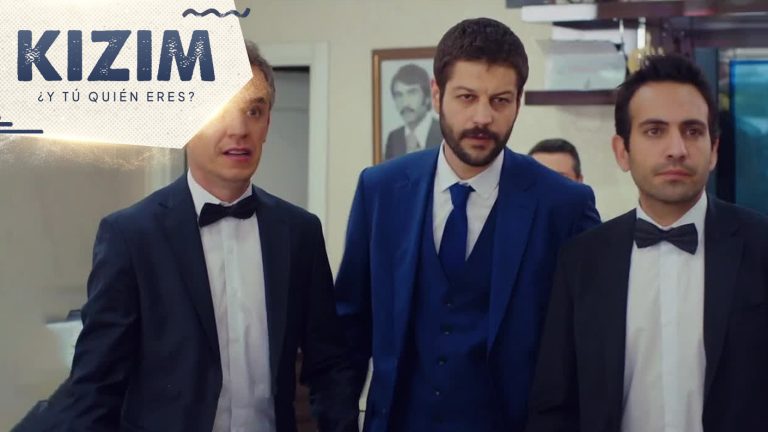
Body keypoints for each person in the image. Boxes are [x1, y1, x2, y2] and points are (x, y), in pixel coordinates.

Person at [51, 41, 359, 432]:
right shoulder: (130, 236)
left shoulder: (300, 233)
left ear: (267, 123)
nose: (239, 129)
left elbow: (330, 365)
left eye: (253, 111)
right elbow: (94, 388)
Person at [335, 18, 600, 432]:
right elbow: (348, 331)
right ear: (436, 94)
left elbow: (587, 346)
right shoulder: (381, 190)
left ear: (518, 102)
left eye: (500, 100)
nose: (483, 117)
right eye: (467, 97)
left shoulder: (564, 205)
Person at [526, 55, 768, 432]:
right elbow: (554, 404)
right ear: (622, 151)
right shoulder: (582, 260)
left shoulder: (761, 246)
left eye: (692, 131)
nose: (677, 149)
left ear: (715, 150)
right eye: (655, 131)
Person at [384, 63, 442, 160]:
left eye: (412, 93)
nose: (405, 103)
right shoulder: (394, 138)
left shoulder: (443, 133)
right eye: (399, 95)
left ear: (427, 97)